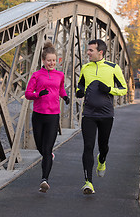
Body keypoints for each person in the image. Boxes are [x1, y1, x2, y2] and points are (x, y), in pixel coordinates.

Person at [76, 39, 127, 194]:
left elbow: (124, 89)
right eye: (88, 50)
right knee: (88, 147)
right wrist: (79, 91)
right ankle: (88, 183)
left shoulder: (113, 68)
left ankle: (102, 160)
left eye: (91, 50)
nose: (88, 53)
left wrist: (110, 89)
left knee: (103, 146)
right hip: (89, 114)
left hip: (106, 114)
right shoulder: (85, 68)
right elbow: (81, 85)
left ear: (100, 52)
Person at [25, 41, 69, 193]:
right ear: (43, 61)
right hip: (38, 115)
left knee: (48, 147)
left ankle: (44, 180)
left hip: (53, 116)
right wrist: (38, 94)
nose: (52, 63)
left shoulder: (60, 75)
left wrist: (65, 97)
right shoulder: (36, 75)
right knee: (41, 147)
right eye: (49, 60)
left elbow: (61, 89)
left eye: (54, 60)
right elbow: (28, 94)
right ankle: (48, 156)